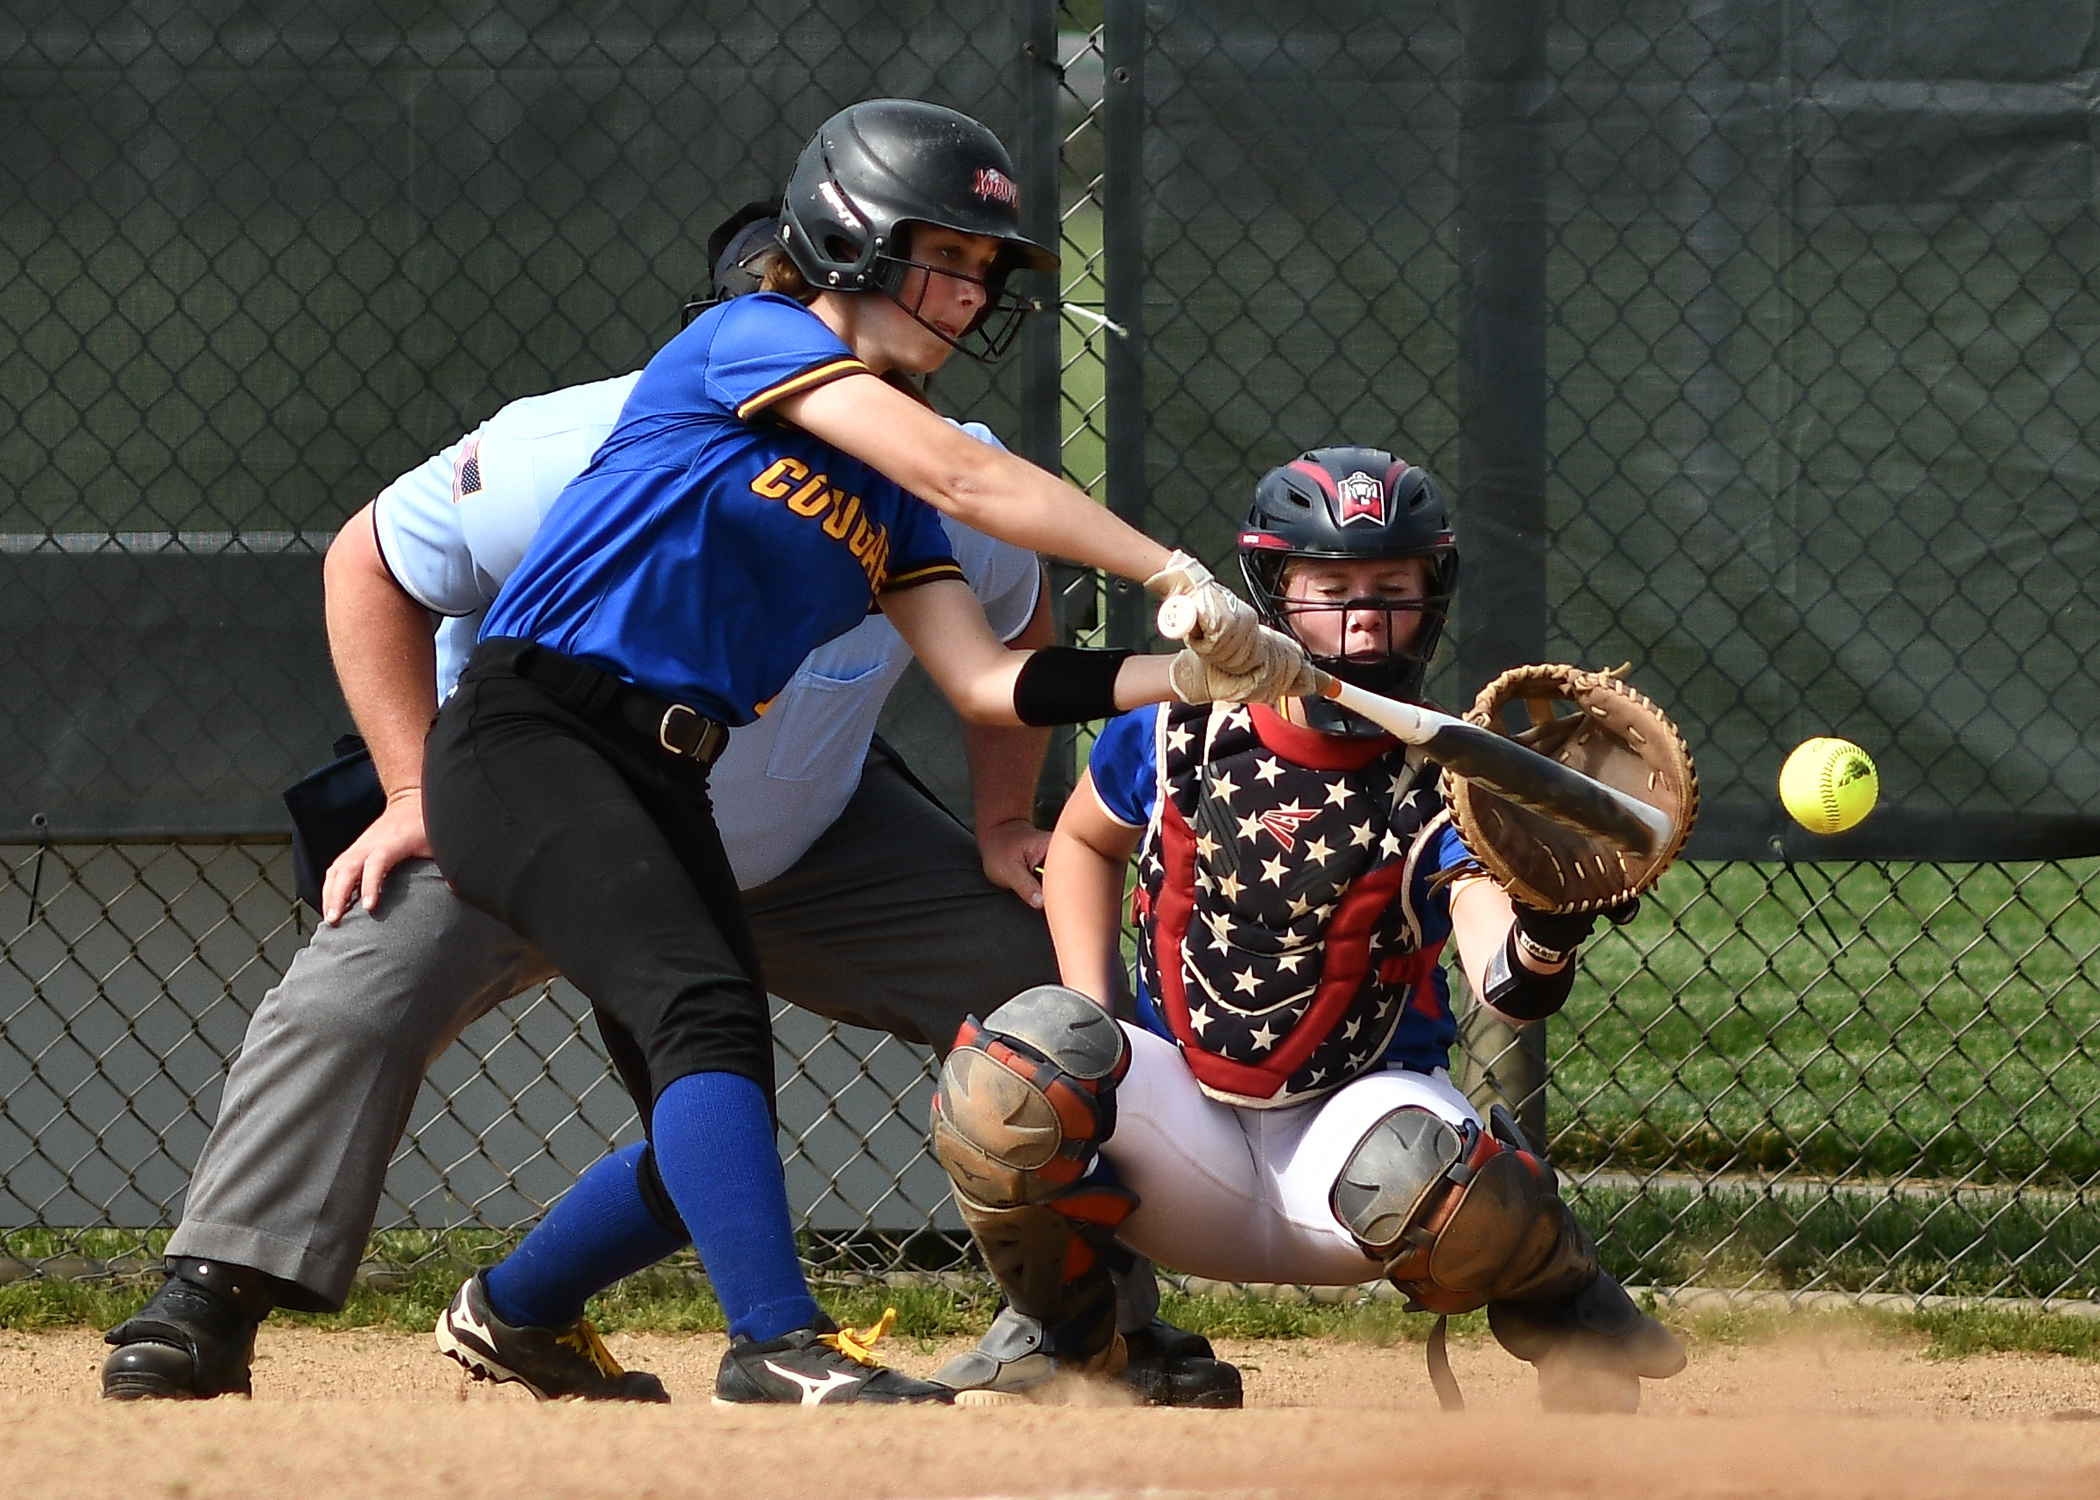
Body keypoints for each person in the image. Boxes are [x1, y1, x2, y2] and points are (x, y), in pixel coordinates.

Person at [99, 206, 1241, 1407]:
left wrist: (1175, 690)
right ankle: (211, 1293)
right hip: (535, 776)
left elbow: (1000, 656)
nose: (944, 302)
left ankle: (1077, 1319)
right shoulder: (612, 421)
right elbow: (368, 560)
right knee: (358, 993)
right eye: (799, 303)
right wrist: (403, 782)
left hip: (772, 829)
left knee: (1001, 988)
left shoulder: (911, 491)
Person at [414, 98, 1307, 1409]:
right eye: (941, 258)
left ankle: (516, 1311)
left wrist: (1194, 675)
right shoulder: (749, 340)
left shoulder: (881, 490)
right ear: (846, 237)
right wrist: (1174, 573)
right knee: (708, 1024)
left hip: (661, 778)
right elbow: (974, 481)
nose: (964, 298)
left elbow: (989, 679)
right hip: (531, 732)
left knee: (704, 1113)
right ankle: (773, 1343)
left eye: (983, 274)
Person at [926, 448, 1691, 1411]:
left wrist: (1546, 930)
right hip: (1181, 1136)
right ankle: (1077, 1339)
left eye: (1391, 586)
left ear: (1433, 595)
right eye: (1329, 586)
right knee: (1019, 1066)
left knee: (1434, 1176)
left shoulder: (1454, 783)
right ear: (1274, 593)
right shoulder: (1179, 729)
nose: (1362, 612)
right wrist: (1098, 1028)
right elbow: (1083, 841)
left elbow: (1504, 979)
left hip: (1351, 1150)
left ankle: (1568, 1308)